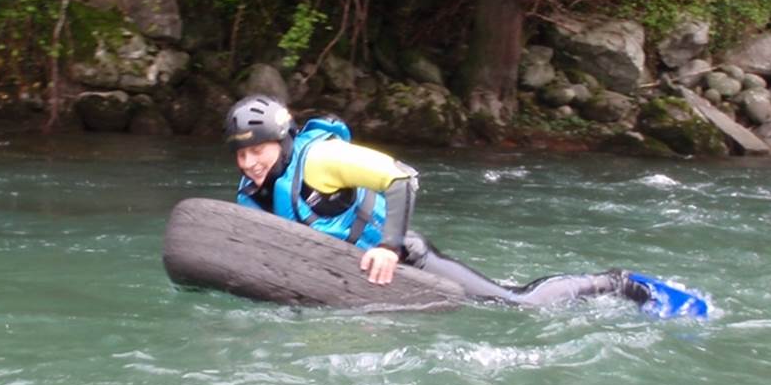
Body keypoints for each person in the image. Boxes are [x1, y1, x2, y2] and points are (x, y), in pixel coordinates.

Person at [224, 94, 655, 307]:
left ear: (283, 141)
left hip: (408, 259)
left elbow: (401, 179)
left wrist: (389, 248)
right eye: (242, 154)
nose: (250, 162)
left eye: (258, 150)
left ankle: (614, 282)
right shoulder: (252, 193)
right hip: (347, 275)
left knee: (514, 305)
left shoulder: (321, 157)